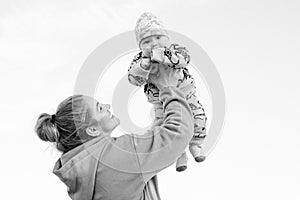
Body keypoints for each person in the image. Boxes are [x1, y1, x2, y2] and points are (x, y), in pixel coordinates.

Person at [35, 65, 194, 200]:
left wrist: (161, 113)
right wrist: (169, 88)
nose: (107, 106)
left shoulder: (81, 171)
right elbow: (179, 133)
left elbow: (149, 146)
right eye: (99, 108)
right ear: (92, 130)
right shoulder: (119, 155)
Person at [128, 12, 207, 172]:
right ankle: (179, 154)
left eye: (158, 38)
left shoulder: (175, 50)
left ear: (167, 38)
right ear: (141, 46)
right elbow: (133, 78)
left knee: (197, 115)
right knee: (165, 126)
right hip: (160, 102)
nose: (153, 43)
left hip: (186, 94)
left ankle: (196, 144)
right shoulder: (140, 59)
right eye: (147, 41)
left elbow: (184, 60)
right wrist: (144, 66)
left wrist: (165, 56)